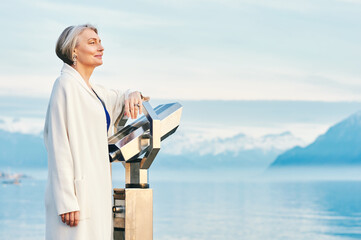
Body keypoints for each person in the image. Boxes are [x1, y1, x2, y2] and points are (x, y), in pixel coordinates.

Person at [43, 24, 143, 240]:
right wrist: (66, 200)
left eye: (99, 41)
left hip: (97, 192)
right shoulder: (65, 85)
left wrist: (134, 94)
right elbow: (59, 145)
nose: (101, 47)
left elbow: (120, 97)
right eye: (92, 42)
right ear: (73, 51)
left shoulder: (95, 91)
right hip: (75, 199)